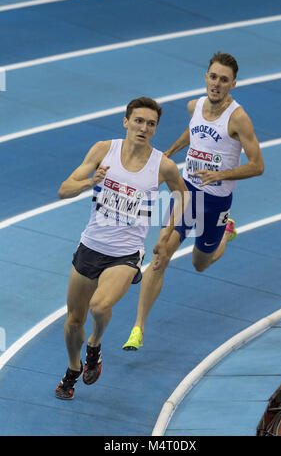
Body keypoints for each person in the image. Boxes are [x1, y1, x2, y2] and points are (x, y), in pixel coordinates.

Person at [122, 52, 265, 351]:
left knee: (201, 263)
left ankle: (226, 231)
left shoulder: (238, 118)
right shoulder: (195, 105)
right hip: (186, 192)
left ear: (233, 84)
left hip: (216, 204)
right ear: (206, 77)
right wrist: (170, 151)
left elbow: (257, 165)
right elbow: (195, 130)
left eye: (224, 80)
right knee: (161, 254)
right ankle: (138, 329)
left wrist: (221, 174)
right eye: (213, 76)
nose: (217, 83)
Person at [55, 97, 188, 399]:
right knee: (74, 319)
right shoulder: (104, 150)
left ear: (155, 129)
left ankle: (95, 345)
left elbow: (183, 196)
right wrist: (91, 182)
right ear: (126, 122)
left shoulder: (162, 166)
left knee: (99, 306)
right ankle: (73, 368)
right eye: (138, 121)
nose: (144, 128)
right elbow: (64, 189)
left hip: (125, 254)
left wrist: (167, 234)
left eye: (151, 124)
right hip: (90, 246)